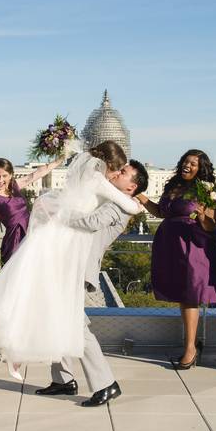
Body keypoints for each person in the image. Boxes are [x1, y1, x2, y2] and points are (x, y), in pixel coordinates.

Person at [0, 141, 141, 379]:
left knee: (51, 310)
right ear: (108, 164)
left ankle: (76, 376)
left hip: (57, 243)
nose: (117, 173)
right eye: (118, 169)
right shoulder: (98, 180)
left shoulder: (88, 178)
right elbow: (125, 208)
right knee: (58, 314)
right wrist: (138, 202)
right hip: (62, 246)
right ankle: (58, 372)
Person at [36, 159, 149, 406]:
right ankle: (63, 380)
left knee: (76, 326)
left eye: (124, 172)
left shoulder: (122, 206)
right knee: (61, 321)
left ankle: (106, 384)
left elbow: (92, 222)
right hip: (67, 265)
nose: (118, 172)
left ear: (131, 187)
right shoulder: (109, 197)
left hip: (77, 269)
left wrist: (60, 216)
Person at [137, 149, 216, 369]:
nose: (188, 165)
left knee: (190, 296)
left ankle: (190, 349)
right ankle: (191, 344)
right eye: (186, 161)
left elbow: (210, 225)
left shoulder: (208, 190)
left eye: (193, 163)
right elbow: (160, 212)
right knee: (181, 296)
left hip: (193, 247)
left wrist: (204, 215)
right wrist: (138, 194)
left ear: (201, 168)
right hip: (171, 245)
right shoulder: (172, 185)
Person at [0, 156, 64, 264]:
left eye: (4, 176)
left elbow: (36, 174)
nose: (0, 180)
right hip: (14, 241)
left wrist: (59, 159)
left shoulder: (14, 186)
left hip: (32, 234)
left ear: (11, 175)